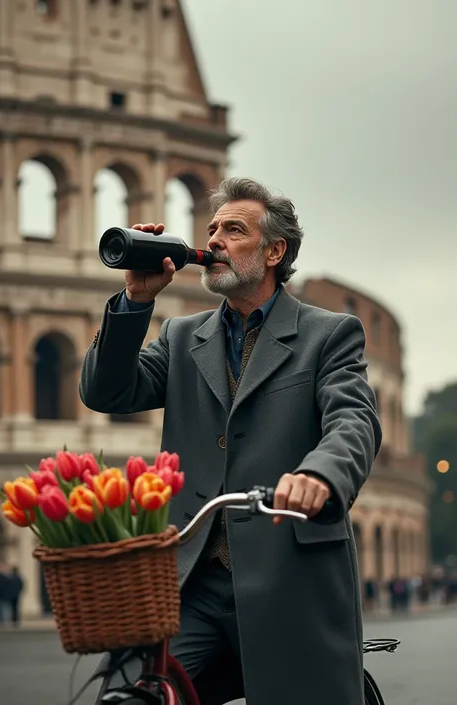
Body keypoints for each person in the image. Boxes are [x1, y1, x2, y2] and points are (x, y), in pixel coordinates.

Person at [80, 177, 381, 705]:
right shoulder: (179, 335)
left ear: (274, 251)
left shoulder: (329, 333)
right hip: (191, 583)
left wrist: (320, 475)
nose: (213, 240)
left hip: (288, 576)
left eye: (233, 230)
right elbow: (106, 391)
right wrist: (135, 299)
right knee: (128, 692)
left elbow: (353, 420)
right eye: (212, 228)